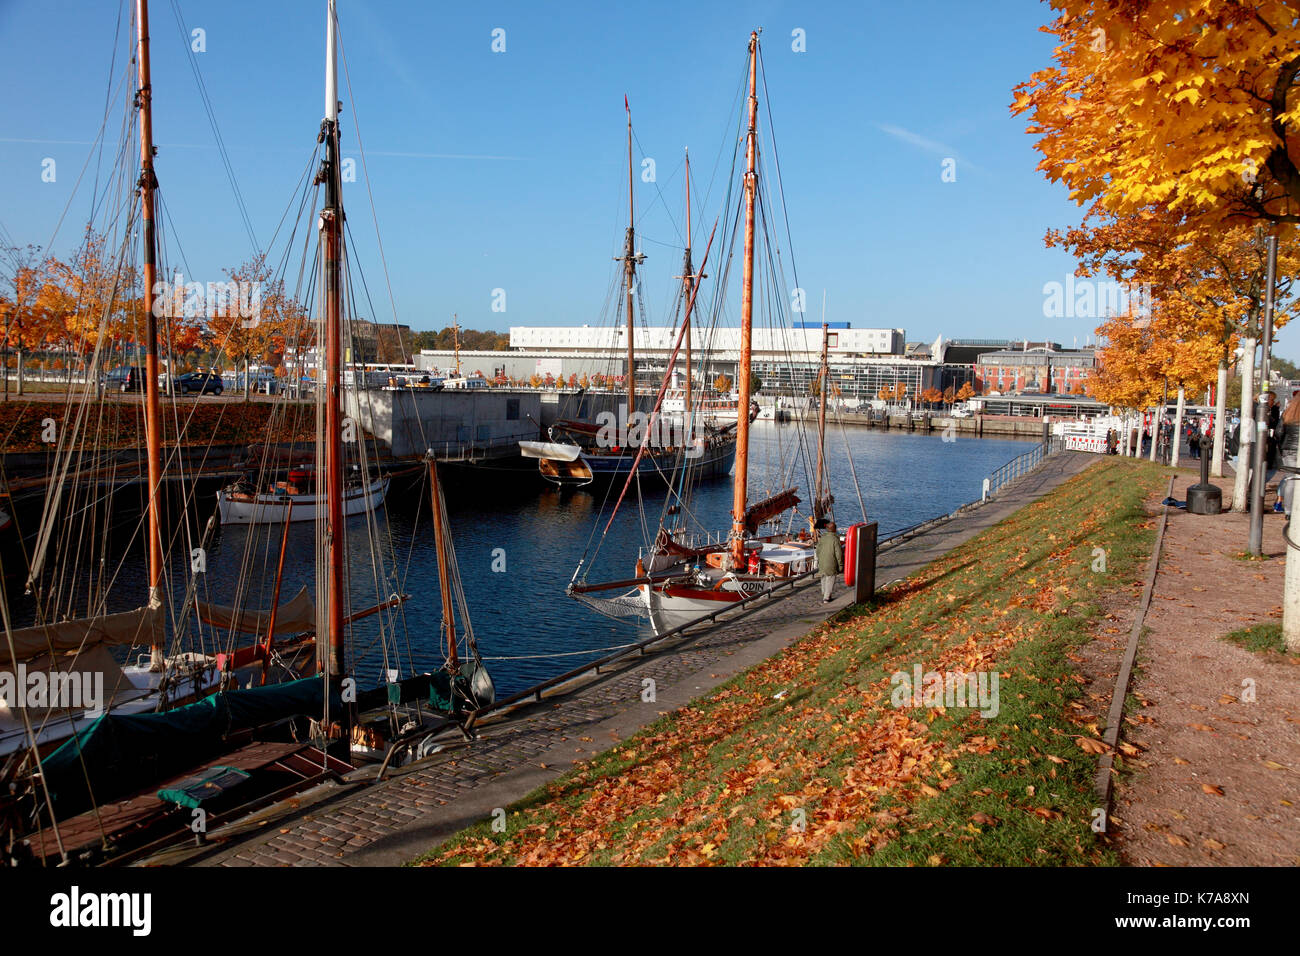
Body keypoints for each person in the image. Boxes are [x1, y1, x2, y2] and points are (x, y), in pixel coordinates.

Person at [815, 518, 843, 604]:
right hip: (831, 562)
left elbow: (818, 550)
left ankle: (824, 593)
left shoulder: (822, 538)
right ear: (834, 529)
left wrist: (819, 559)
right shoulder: (835, 539)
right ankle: (826, 598)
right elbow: (838, 553)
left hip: (822, 561)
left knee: (823, 577)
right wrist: (841, 565)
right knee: (830, 578)